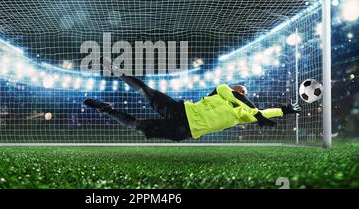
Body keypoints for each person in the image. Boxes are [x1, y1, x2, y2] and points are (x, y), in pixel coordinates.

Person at [84, 59, 301, 141]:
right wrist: (258, 114)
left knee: (139, 126)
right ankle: (116, 70)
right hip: (181, 111)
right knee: (145, 91)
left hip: (185, 131)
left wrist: (284, 110)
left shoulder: (242, 115)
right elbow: (240, 99)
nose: (241, 92)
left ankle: (107, 110)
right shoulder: (223, 91)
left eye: (243, 92)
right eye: (240, 89)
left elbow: (263, 113)